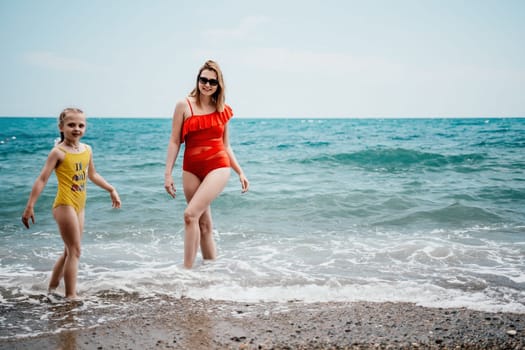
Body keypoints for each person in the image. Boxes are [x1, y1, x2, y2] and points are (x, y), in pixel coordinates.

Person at [21, 108, 121, 300]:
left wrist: (111, 189)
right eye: (71, 125)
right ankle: (71, 296)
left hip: (79, 205)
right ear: (61, 127)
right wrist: (30, 205)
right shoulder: (57, 152)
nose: (77, 129)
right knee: (76, 250)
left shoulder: (87, 149)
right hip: (64, 204)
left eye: (81, 125)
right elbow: (42, 179)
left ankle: (51, 289)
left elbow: (92, 175)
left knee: (69, 251)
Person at [164, 60, 249, 269]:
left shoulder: (222, 109)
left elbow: (226, 145)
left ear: (218, 85)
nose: (207, 84)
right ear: (198, 80)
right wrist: (168, 174)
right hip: (191, 168)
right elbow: (175, 141)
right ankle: (212, 273)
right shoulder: (183, 105)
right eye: (204, 79)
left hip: (218, 165)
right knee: (204, 224)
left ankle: (186, 272)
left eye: (212, 81)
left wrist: (239, 171)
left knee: (189, 215)